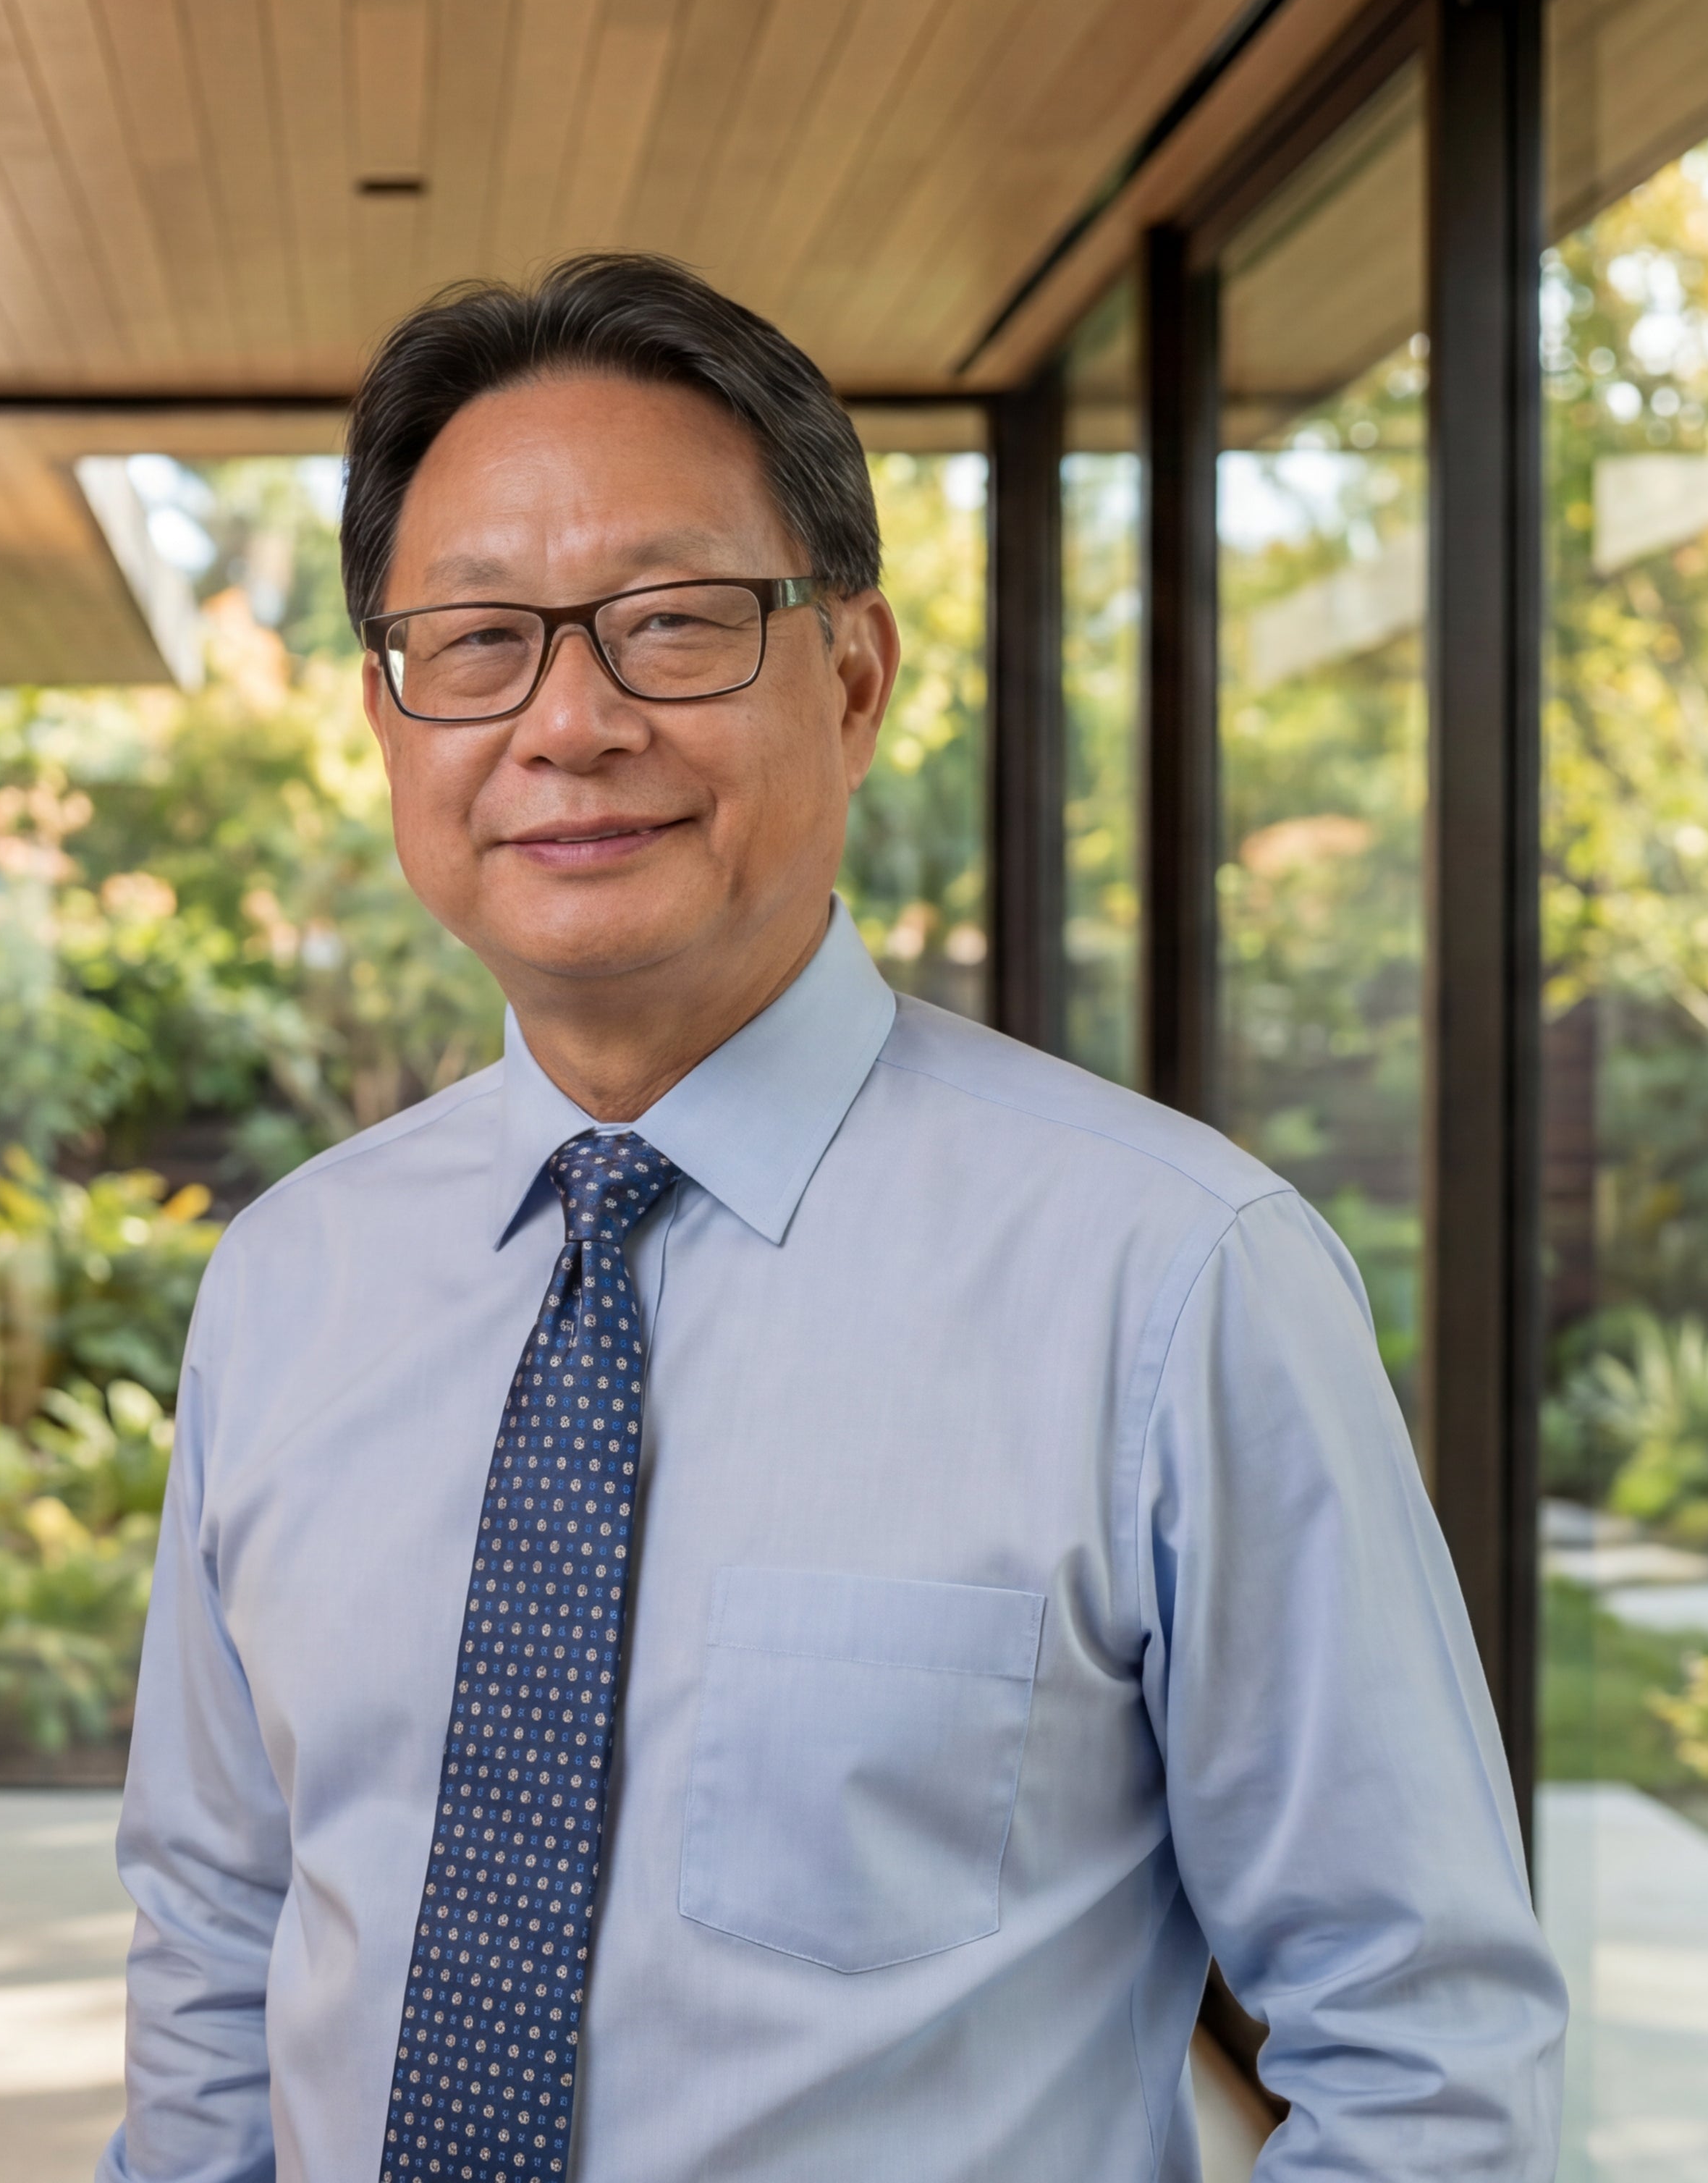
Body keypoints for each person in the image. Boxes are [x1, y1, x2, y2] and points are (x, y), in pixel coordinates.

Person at [97, 253, 1564, 2182]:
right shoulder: (290, 1281)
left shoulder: (1172, 1282)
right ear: (390, 715)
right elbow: (218, 1941)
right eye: (476, 640)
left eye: (671, 624)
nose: (567, 721)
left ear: (854, 680)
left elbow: (1427, 2060)